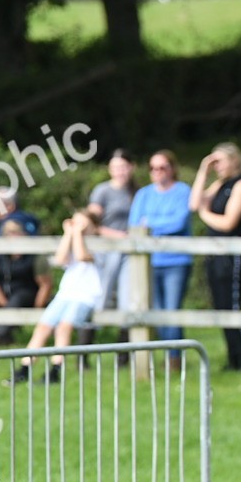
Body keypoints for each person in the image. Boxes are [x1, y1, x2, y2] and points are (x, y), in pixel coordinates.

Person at [8, 210, 104, 383]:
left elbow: (82, 256)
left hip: (85, 296)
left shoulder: (100, 245)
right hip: (65, 293)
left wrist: (76, 234)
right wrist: (69, 233)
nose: (79, 228)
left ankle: (55, 370)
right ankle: (25, 368)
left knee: (63, 328)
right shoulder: (73, 242)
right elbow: (60, 259)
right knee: (43, 327)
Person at [190, 143, 241, 370]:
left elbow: (228, 223)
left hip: (233, 255)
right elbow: (194, 203)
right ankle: (233, 359)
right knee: (221, 306)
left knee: (233, 306)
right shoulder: (219, 184)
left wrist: (204, 214)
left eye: (220, 161)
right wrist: (203, 171)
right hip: (215, 254)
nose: (217, 166)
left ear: (234, 160)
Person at [130, 150, 192, 370]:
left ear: (172, 168)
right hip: (149, 262)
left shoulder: (183, 191)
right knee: (156, 312)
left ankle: (174, 359)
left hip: (176, 261)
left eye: (162, 167)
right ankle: (168, 355)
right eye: (153, 168)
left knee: (171, 311)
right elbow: (135, 224)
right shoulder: (144, 194)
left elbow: (179, 222)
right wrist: (157, 226)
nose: (157, 172)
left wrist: (152, 225)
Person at [0, 188, 52, 347]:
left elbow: (45, 282)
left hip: (27, 289)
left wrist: (37, 308)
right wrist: (4, 304)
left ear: (10, 206)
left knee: (17, 300)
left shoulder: (8, 226)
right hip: (4, 286)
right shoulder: (28, 221)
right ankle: (5, 333)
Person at [83, 149, 136, 347]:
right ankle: (84, 349)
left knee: (128, 298)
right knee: (101, 296)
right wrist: (118, 236)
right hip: (107, 250)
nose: (120, 171)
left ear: (131, 167)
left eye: (123, 167)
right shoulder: (103, 191)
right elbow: (91, 223)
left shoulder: (136, 191)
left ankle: (124, 352)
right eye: (115, 167)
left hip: (129, 252)